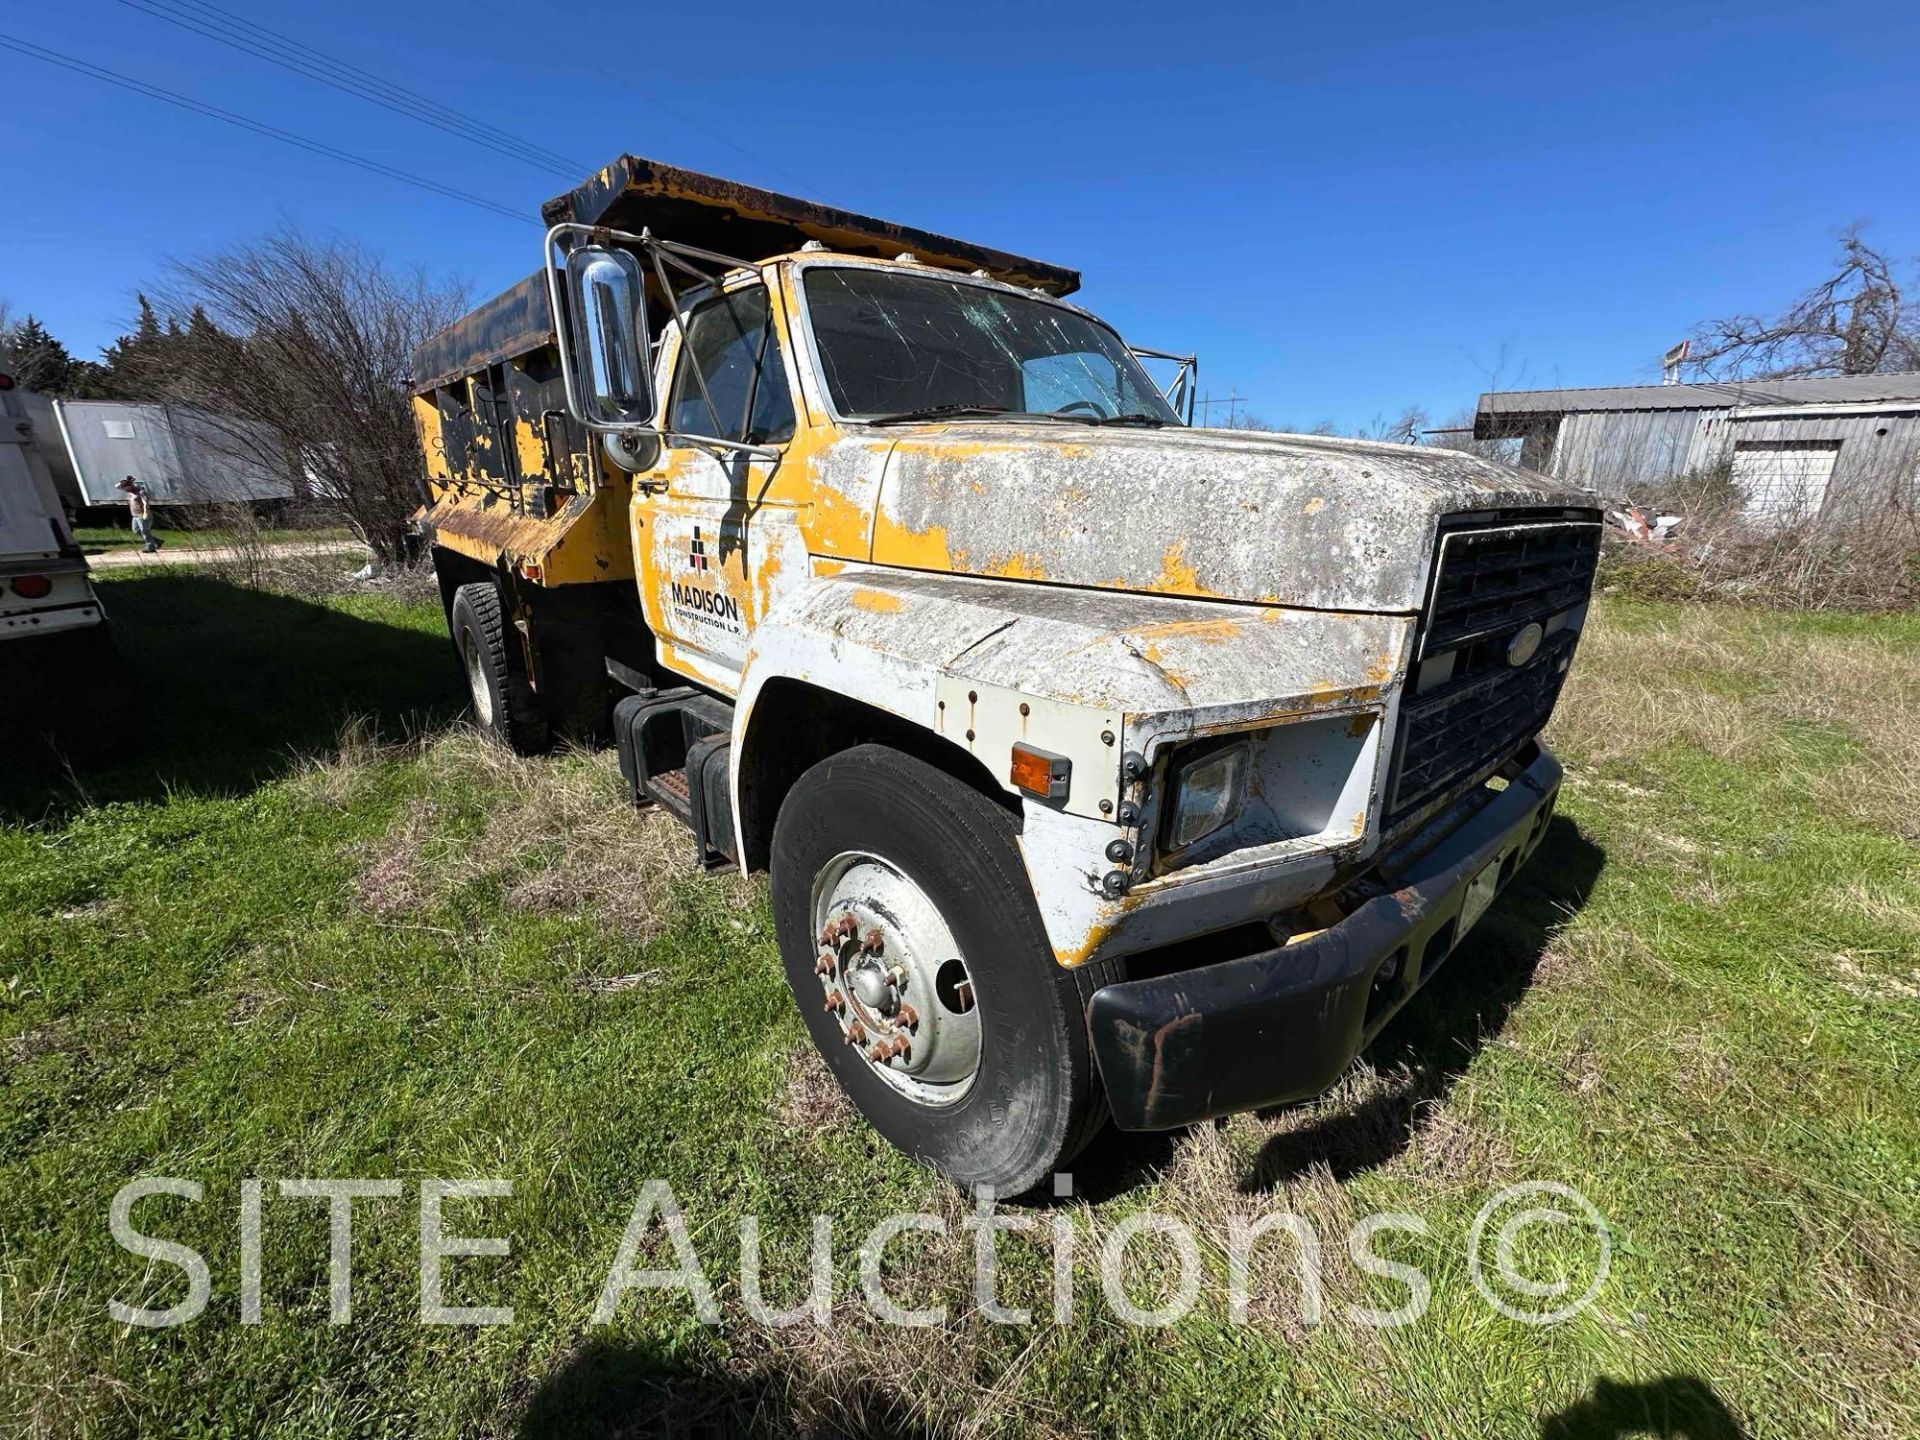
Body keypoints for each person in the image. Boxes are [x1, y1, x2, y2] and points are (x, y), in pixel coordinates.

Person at [115, 475, 163, 552]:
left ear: (129, 486)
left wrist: (145, 512)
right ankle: (157, 541)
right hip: (135, 515)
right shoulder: (129, 492)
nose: (124, 489)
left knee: (144, 530)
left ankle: (150, 547)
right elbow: (117, 486)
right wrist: (123, 481)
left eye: (125, 487)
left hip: (141, 513)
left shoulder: (139, 491)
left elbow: (145, 502)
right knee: (136, 530)